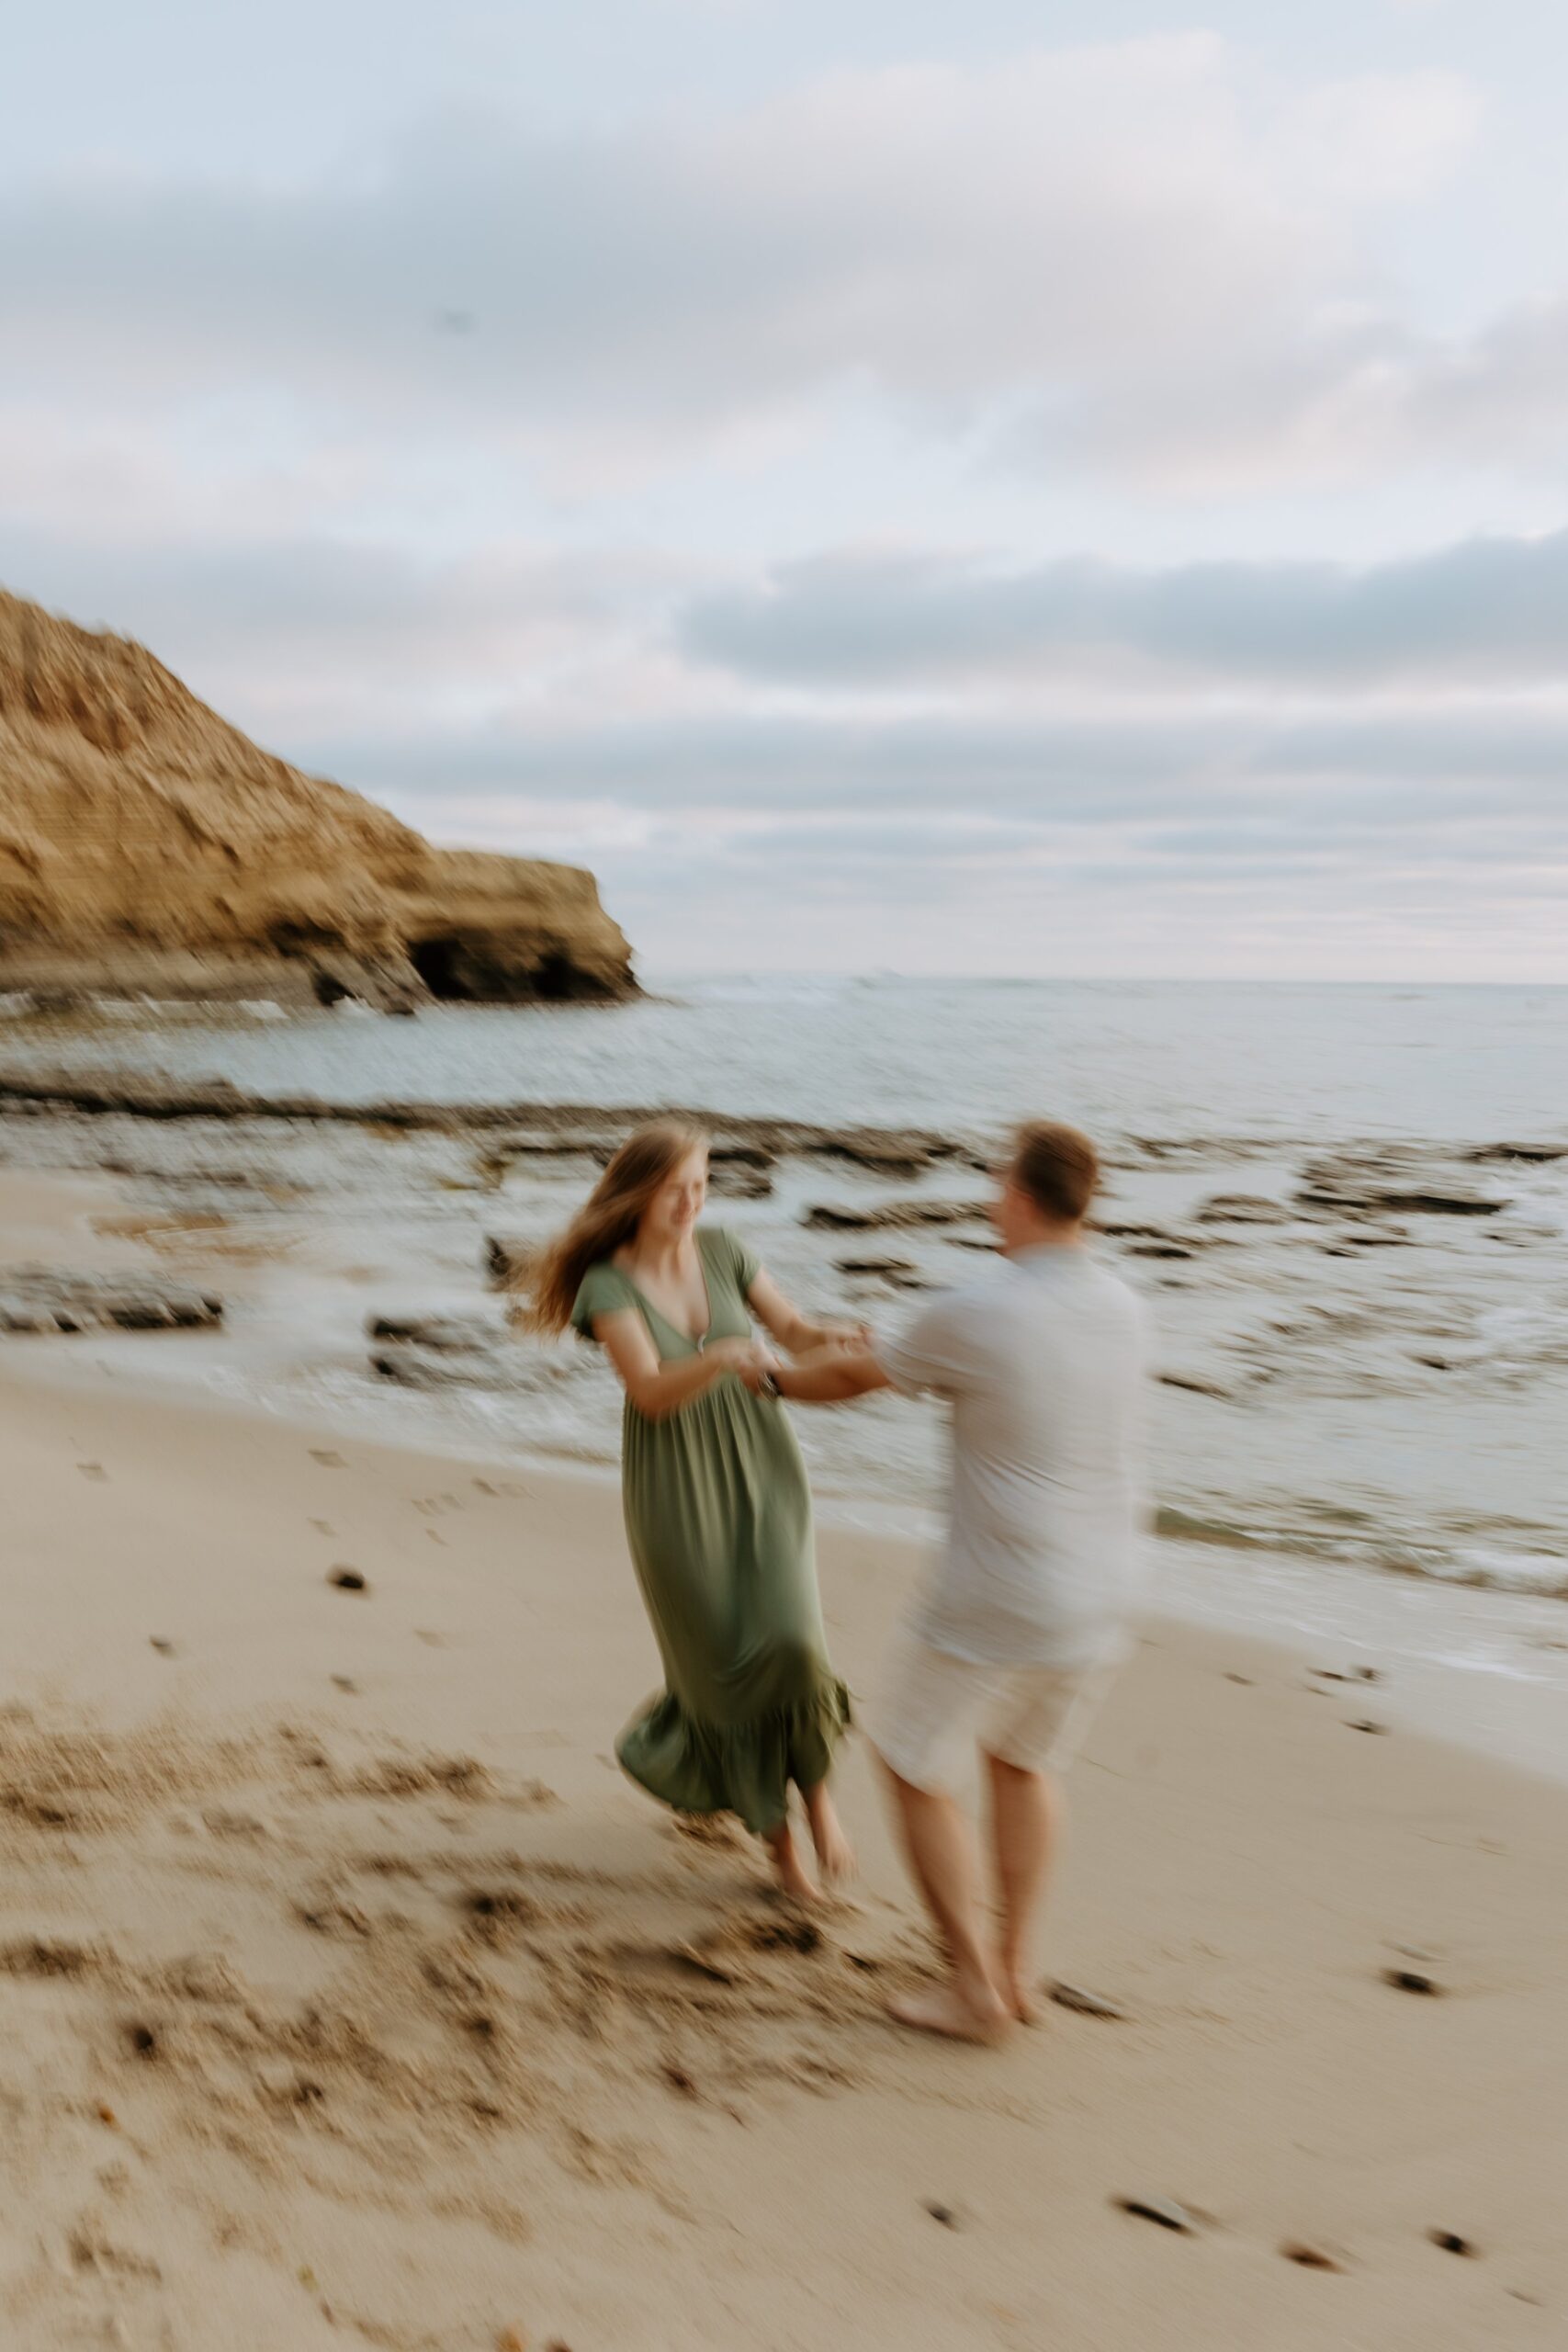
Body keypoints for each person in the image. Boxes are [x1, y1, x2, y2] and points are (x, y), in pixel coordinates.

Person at [744, 1119, 1150, 2041]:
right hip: (1109, 1582)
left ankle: (973, 1989)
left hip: (1004, 1586)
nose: (987, 1192)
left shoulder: (980, 1306)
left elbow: (856, 1370)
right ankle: (1018, 1969)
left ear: (1018, 1192)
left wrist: (769, 1379)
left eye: (997, 1176)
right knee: (1025, 1759)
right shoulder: (1125, 1303)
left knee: (912, 1756)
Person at [525, 1119, 859, 1902]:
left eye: (702, 1184)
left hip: (764, 1470)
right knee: (725, 1669)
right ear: (639, 1192)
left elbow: (795, 1332)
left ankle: (818, 1799)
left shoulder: (726, 1252)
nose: (692, 1201)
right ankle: (779, 1850)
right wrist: (716, 1356)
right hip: (676, 1491)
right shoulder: (608, 1284)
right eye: (677, 1188)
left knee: (794, 1643)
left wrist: (836, 1339)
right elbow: (648, 1390)